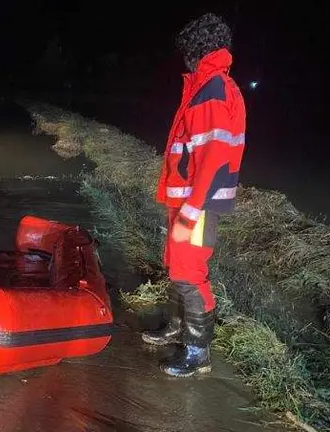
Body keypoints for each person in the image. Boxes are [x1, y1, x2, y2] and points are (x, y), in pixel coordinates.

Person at [143, 13, 246, 377]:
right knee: (177, 265)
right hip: (187, 197)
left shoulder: (212, 90)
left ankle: (197, 351)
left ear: (194, 51)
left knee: (190, 273)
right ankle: (175, 329)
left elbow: (214, 155)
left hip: (197, 202)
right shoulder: (207, 86)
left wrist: (190, 211)